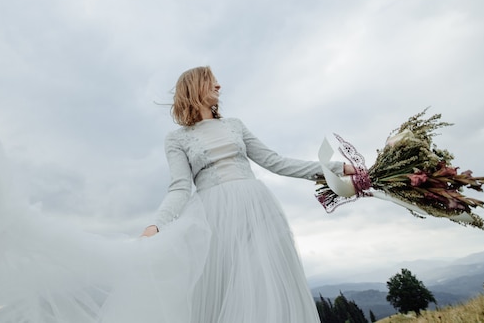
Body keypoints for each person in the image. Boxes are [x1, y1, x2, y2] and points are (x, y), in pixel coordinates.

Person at [141, 66, 355, 322]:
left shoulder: (235, 125)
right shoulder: (177, 139)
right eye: (212, 82)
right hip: (214, 220)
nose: (219, 86)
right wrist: (157, 224)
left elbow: (277, 162)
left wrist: (340, 169)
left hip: (258, 211)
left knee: (264, 285)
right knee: (228, 289)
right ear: (194, 88)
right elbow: (179, 187)